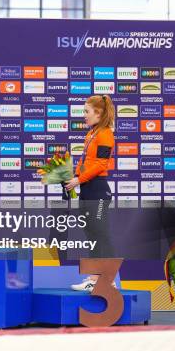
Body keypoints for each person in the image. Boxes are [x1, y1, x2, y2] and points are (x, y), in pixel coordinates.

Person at [65, 94, 116, 292]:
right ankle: (96, 277)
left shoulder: (105, 134)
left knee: (101, 234)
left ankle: (108, 278)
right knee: (93, 234)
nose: (84, 115)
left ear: (99, 113)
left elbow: (101, 164)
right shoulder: (92, 133)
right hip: (88, 188)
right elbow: (86, 161)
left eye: (87, 111)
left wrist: (79, 179)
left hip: (98, 189)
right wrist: (73, 176)